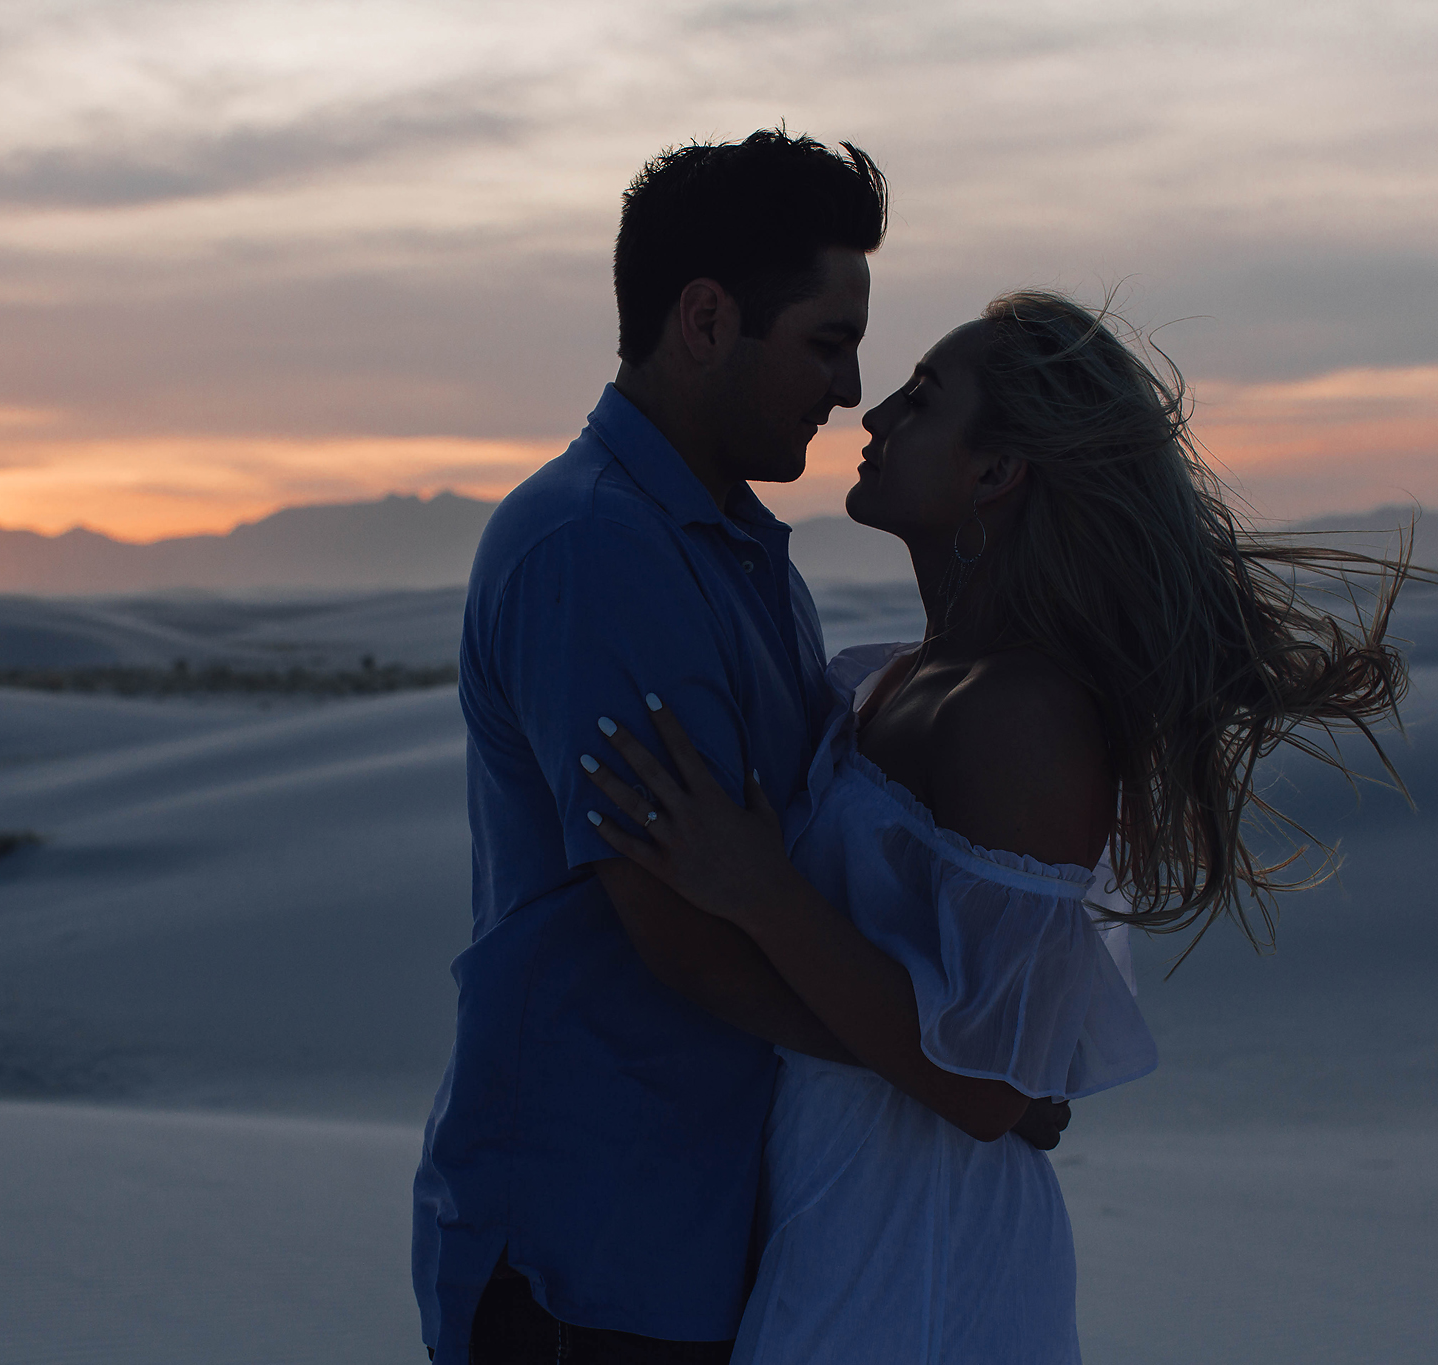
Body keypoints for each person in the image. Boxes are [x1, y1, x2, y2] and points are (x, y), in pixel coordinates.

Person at [580, 290, 1412, 1362]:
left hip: (922, 1252)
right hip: (838, 1213)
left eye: (921, 402)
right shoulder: (897, 681)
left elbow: (983, 1090)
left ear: (994, 470)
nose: (872, 415)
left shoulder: (1024, 718)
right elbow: (991, 1072)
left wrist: (762, 895)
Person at [412, 129, 1067, 1365]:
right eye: (826, 342)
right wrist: (964, 1080)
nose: (849, 387)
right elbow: (688, 940)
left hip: (707, 1242)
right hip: (593, 1249)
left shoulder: (737, 555)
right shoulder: (595, 549)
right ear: (706, 319)